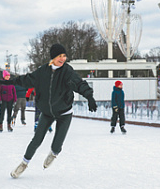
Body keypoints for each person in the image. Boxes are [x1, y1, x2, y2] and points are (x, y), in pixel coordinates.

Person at [6, 44, 97, 178]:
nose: (62, 59)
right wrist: (9, 82)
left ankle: (53, 153)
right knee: (36, 140)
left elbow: (79, 83)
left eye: (64, 56)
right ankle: (24, 163)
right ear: (53, 58)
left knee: (57, 145)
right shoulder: (43, 71)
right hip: (47, 112)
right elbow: (27, 79)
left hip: (64, 113)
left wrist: (89, 96)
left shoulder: (67, 71)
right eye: (59, 56)